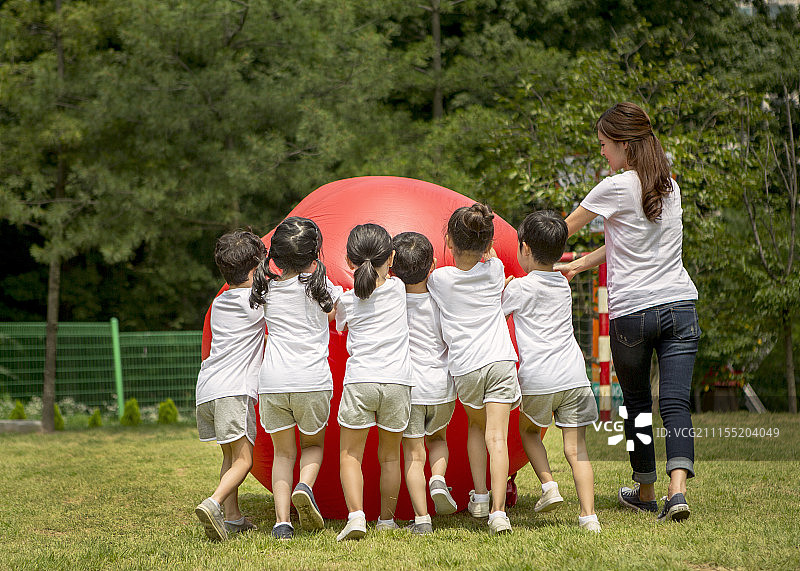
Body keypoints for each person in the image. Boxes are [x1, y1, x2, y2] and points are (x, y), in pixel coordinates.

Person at [561, 102, 700, 523]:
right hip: (680, 307)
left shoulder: (615, 186)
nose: (602, 153)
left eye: (604, 145)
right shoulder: (669, 187)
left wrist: (531, 250)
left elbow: (560, 230)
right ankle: (677, 492)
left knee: (638, 404)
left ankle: (645, 490)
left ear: (623, 144)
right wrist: (580, 265)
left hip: (633, 315)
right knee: (676, 403)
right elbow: (630, 241)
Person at [502, 211, 601, 533]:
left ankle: (549, 486)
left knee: (529, 432)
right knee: (577, 449)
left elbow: (495, 309)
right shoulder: (562, 283)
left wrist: (502, 287)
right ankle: (589, 516)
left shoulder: (520, 288)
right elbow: (551, 276)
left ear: (525, 249)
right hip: (574, 376)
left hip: (539, 379)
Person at [426, 203, 520, 535]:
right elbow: (491, 254)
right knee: (498, 437)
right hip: (500, 361)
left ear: (449, 240)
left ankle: (480, 496)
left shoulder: (439, 279)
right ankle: (497, 511)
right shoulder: (494, 271)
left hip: (466, 367)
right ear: (486, 244)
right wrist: (484, 242)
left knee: (477, 430)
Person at [249, 217, 343, 540]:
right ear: (314, 253)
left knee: (283, 454)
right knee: (313, 446)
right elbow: (335, 313)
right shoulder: (321, 289)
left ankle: (282, 522)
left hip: (273, 383)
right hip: (312, 381)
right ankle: (304, 486)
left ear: (275, 254)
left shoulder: (266, 291)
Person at [334, 224, 413, 541]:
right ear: (391, 257)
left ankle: (355, 517)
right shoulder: (400, 290)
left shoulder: (347, 301)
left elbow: (334, 320)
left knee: (350, 455)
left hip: (360, 382)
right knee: (391, 456)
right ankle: (386, 521)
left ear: (350, 262)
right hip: (397, 382)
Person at [194, 229, 266, 541]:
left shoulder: (221, 301)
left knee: (229, 455)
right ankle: (215, 503)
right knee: (245, 459)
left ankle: (234, 517)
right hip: (234, 391)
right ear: (255, 269)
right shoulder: (258, 303)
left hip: (208, 388)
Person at [392, 231, 458, 535]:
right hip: (442, 386)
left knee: (413, 455)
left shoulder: (391, 301)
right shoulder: (443, 299)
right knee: (439, 439)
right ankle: (439, 479)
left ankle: (421, 519)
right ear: (432, 263)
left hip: (410, 389)